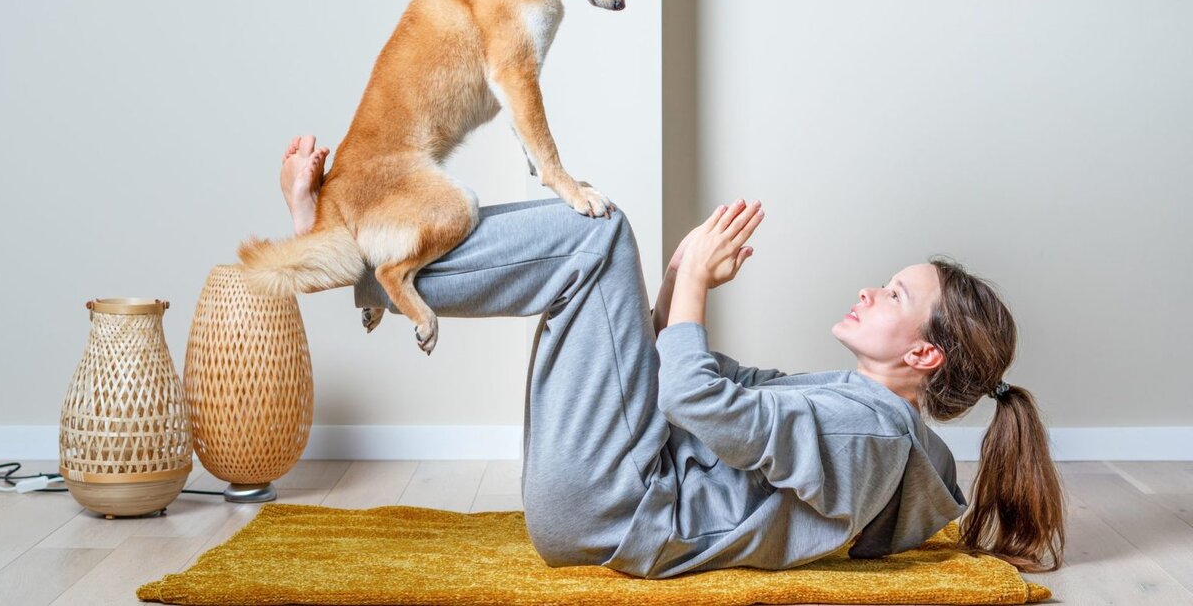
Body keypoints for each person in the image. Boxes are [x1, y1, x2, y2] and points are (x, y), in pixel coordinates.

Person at [279, 135, 1066, 577]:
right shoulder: (849, 404)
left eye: (894, 294)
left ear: (924, 353)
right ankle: (358, 260)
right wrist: (675, 290)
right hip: (616, 484)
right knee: (595, 247)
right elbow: (682, 378)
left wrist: (692, 280)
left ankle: (345, 255)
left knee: (596, 234)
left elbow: (696, 403)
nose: (870, 291)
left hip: (614, 501)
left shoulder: (870, 439)